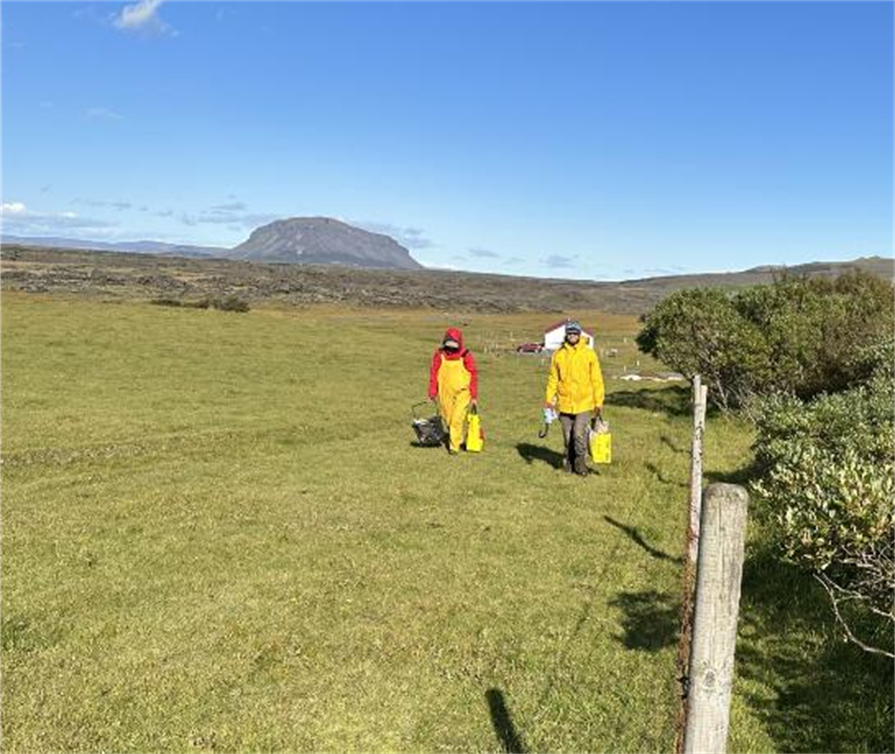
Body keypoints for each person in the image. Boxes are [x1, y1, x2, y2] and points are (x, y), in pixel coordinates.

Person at [544, 320, 605, 475]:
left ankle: (580, 464)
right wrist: (549, 399)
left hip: (584, 403)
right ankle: (568, 462)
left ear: (579, 334)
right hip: (564, 403)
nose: (572, 335)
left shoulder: (589, 354)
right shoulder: (558, 354)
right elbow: (553, 378)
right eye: (569, 333)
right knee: (567, 436)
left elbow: (596, 379)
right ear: (566, 335)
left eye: (575, 333)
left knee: (578, 434)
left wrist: (598, 402)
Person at [428, 327, 478, 455]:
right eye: (448, 345)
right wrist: (432, 392)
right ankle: (458, 438)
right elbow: (434, 373)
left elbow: (473, 374)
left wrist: (474, 396)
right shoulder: (439, 355)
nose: (450, 349)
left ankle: (454, 447)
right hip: (445, 391)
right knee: (448, 419)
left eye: (454, 346)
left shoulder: (466, 355)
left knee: (457, 418)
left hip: (463, 392)